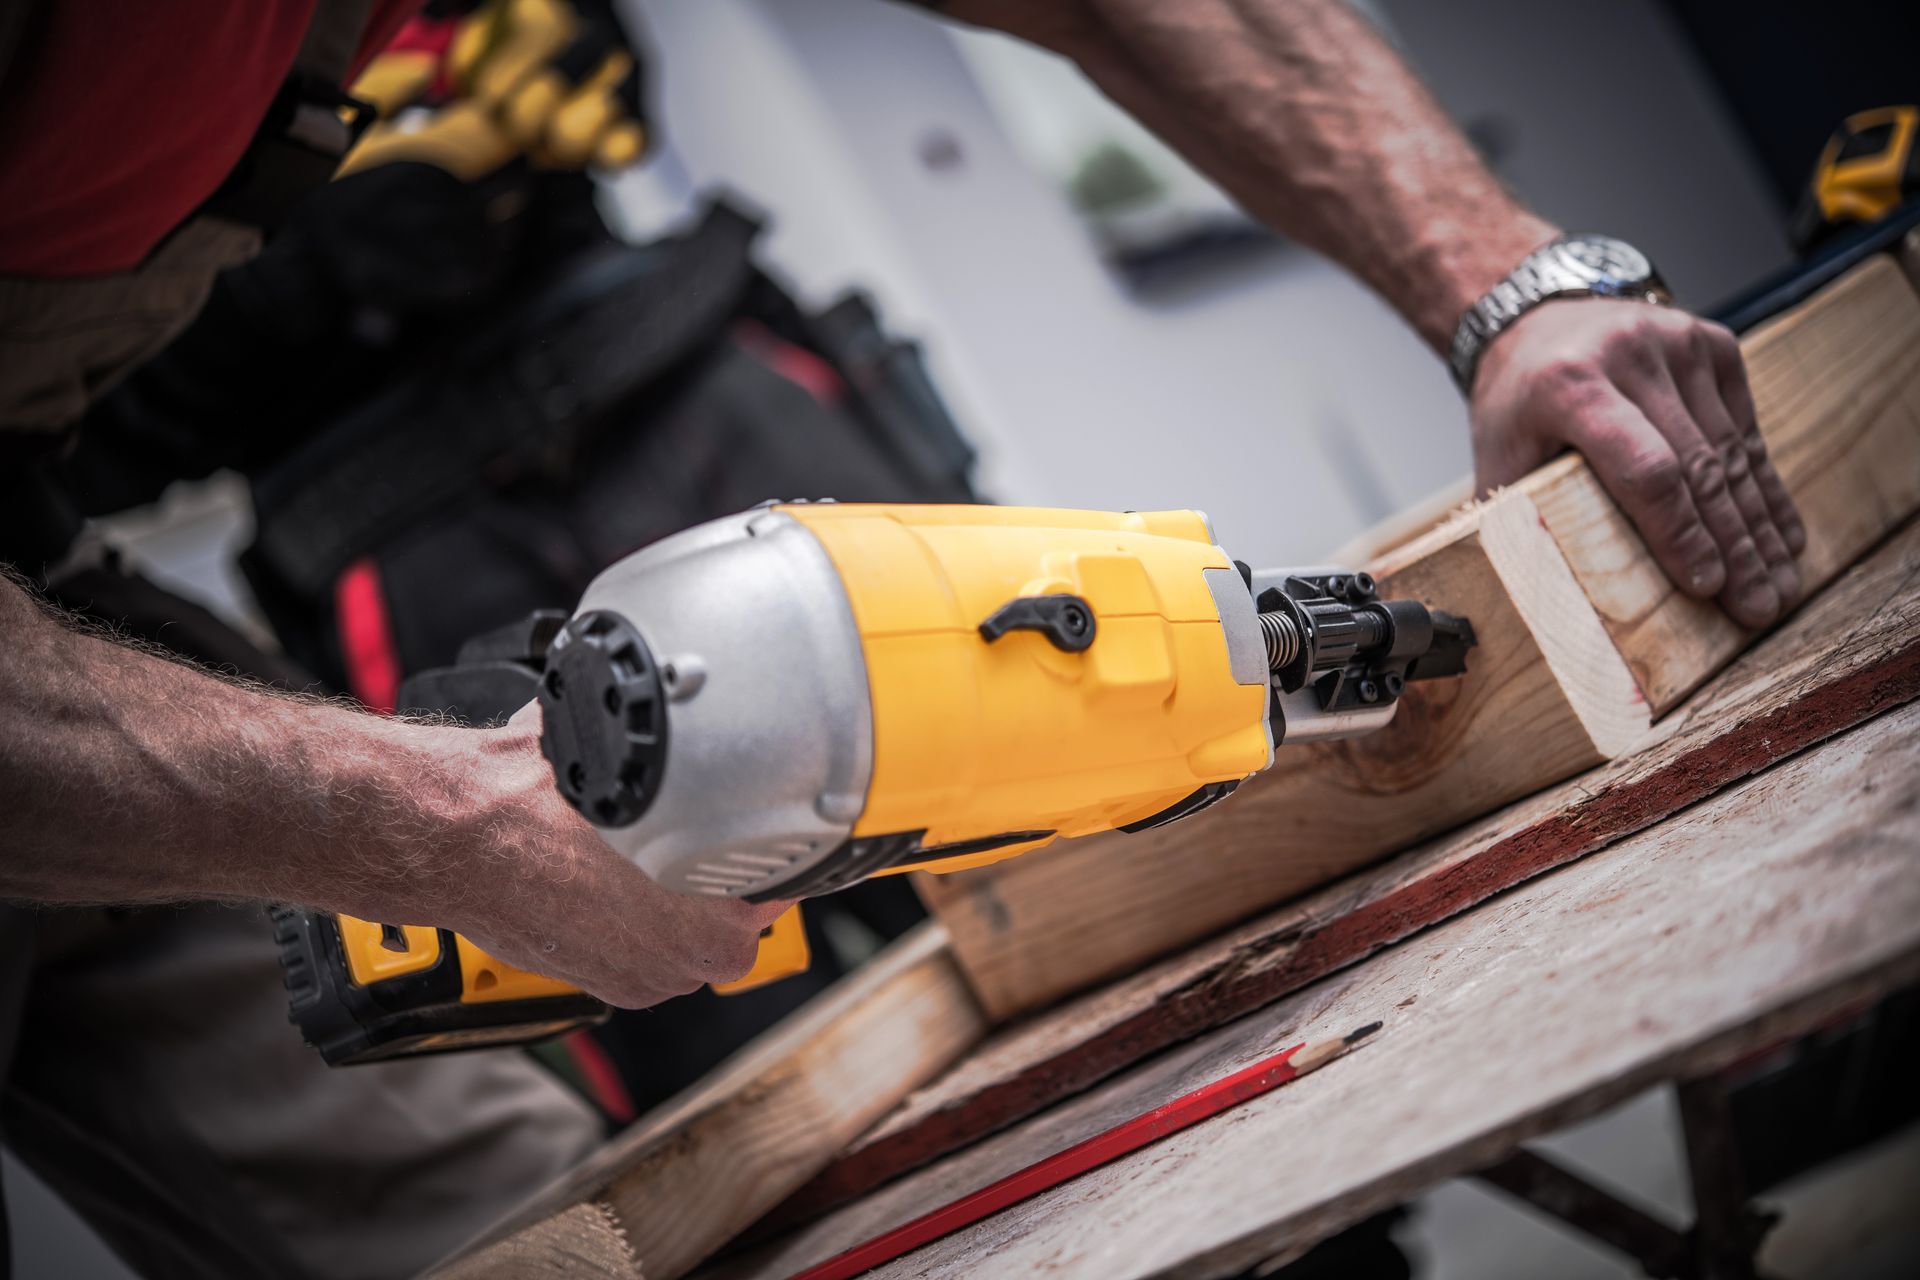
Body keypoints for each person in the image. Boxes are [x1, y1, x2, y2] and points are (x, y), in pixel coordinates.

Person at [0, 1, 1805, 1275]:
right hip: (290, 532)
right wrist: (439, 822)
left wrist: (1500, 287)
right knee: (683, 1081)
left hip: (189, 483)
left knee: (566, 1233)